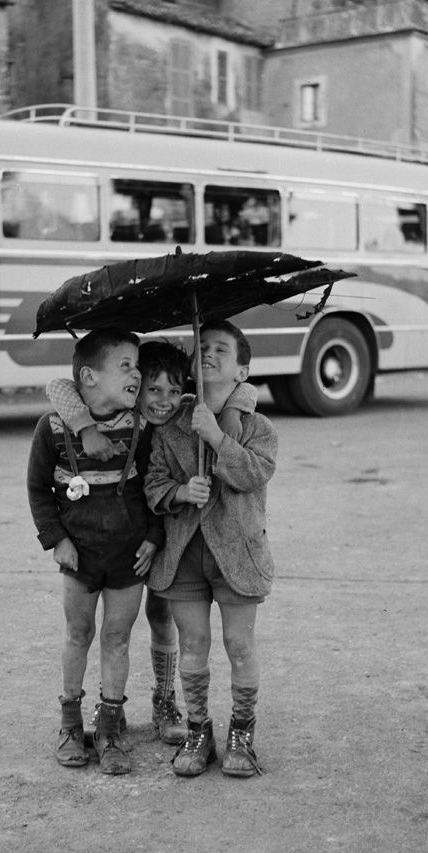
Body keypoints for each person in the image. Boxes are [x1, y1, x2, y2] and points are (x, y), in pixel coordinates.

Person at [46, 340, 257, 745]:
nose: (163, 401)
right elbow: (58, 385)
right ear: (137, 385)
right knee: (108, 630)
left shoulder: (185, 411)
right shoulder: (122, 415)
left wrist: (233, 409)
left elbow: (245, 387)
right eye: (152, 390)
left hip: (169, 536)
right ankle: (109, 706)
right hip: (128, 534)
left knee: (162, 617)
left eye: (172, 392)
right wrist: (86, 427)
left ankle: (164, 701)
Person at [26, 327, 163, 775]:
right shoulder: (52, 428)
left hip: (128, 558)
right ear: (88, 377)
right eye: (125, 365)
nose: (137, 375)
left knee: (118, 639)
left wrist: (153, 537)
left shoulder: (141, 429)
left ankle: (109, 728)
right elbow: (39, 490)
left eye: (137, 366)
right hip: (78, 558)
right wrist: (57, 540)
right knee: (78, 635)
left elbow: (154, 487)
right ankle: (69, 723)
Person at [144, 320, 277, 778]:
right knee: (194, 644)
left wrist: (217, 437)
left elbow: (255, 474)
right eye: (202, 346)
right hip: (184, 554)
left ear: (242, 372)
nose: (207, 353)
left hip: (237, 554)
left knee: (239, 643)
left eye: (221, 349)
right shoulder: (171, 426)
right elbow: (153, 483)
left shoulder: (258, 426)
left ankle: (243, 731)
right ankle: (199, 728)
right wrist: (181, 493)